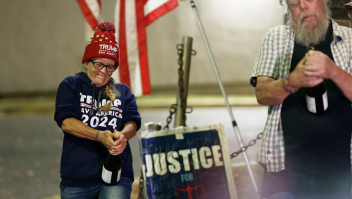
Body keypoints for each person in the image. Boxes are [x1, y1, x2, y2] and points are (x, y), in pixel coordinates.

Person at [250, 0, 352, 198]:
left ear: (323, 1)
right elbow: (262, 94)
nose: (303, 6)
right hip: (284, 169)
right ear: (288, 9)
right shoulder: (276, 37)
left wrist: (333, 71)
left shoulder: (349, 40)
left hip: (340, 170)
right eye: (294, 4)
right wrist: (291, 81)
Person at [54, 21, 141, 199]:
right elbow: (67, 122)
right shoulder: (71, 85)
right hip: (77, 177)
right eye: (99, 64)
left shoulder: (122, 91)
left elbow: (133, 121)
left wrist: (124, 136)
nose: (104, 71)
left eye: (110, 66)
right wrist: (99, 136)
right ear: (87, 62)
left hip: (116, 174)